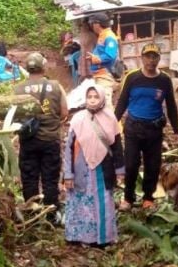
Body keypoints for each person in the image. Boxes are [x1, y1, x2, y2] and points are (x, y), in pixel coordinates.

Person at [115, 43, 178, 210]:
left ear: (159, 59)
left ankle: (148, 197)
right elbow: (122, 101)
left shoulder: (164, 80)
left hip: (154, 129)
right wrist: (112, 122)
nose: (151, 60)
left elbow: (171, 105)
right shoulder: (132, 77)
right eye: (148, 56)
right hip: (133, 128)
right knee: (131, 164)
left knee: (152, 165)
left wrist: (176, 129)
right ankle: (128, 198)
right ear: (142, 58)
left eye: (154, 57)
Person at [63, 85, 124, 246]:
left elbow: (117, 146)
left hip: (103, 169)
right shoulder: (77, 119)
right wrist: (68, 174)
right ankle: (78, 237)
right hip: (81, 168)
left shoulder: (110, 119)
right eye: (89, 96)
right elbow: (68, 148)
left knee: (102, 202)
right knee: (80, 203)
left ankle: (102, 239)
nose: (92, 100)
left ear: (102, 99)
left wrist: (120, 171)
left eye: (96, 97)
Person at [14, 52, 68, 221]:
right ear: (43, 67)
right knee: (50, 178)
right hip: (50, 140)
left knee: (29, 177)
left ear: (27, 68)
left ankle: (32, 213)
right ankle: (51, 214)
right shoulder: (55, 86)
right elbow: (64, 112)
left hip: (28, 141)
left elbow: (14, 116)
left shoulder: (18, 89)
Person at [86, 12, 119, 109]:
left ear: (98, 24)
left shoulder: (109, 36)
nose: (92, 26)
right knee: (103, 105)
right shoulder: (102, 35)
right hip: (101, 75)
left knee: (106, 106)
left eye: (93, 24)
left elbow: (110, 55)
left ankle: (112, 124)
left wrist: (97, 59)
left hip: (105, 76)